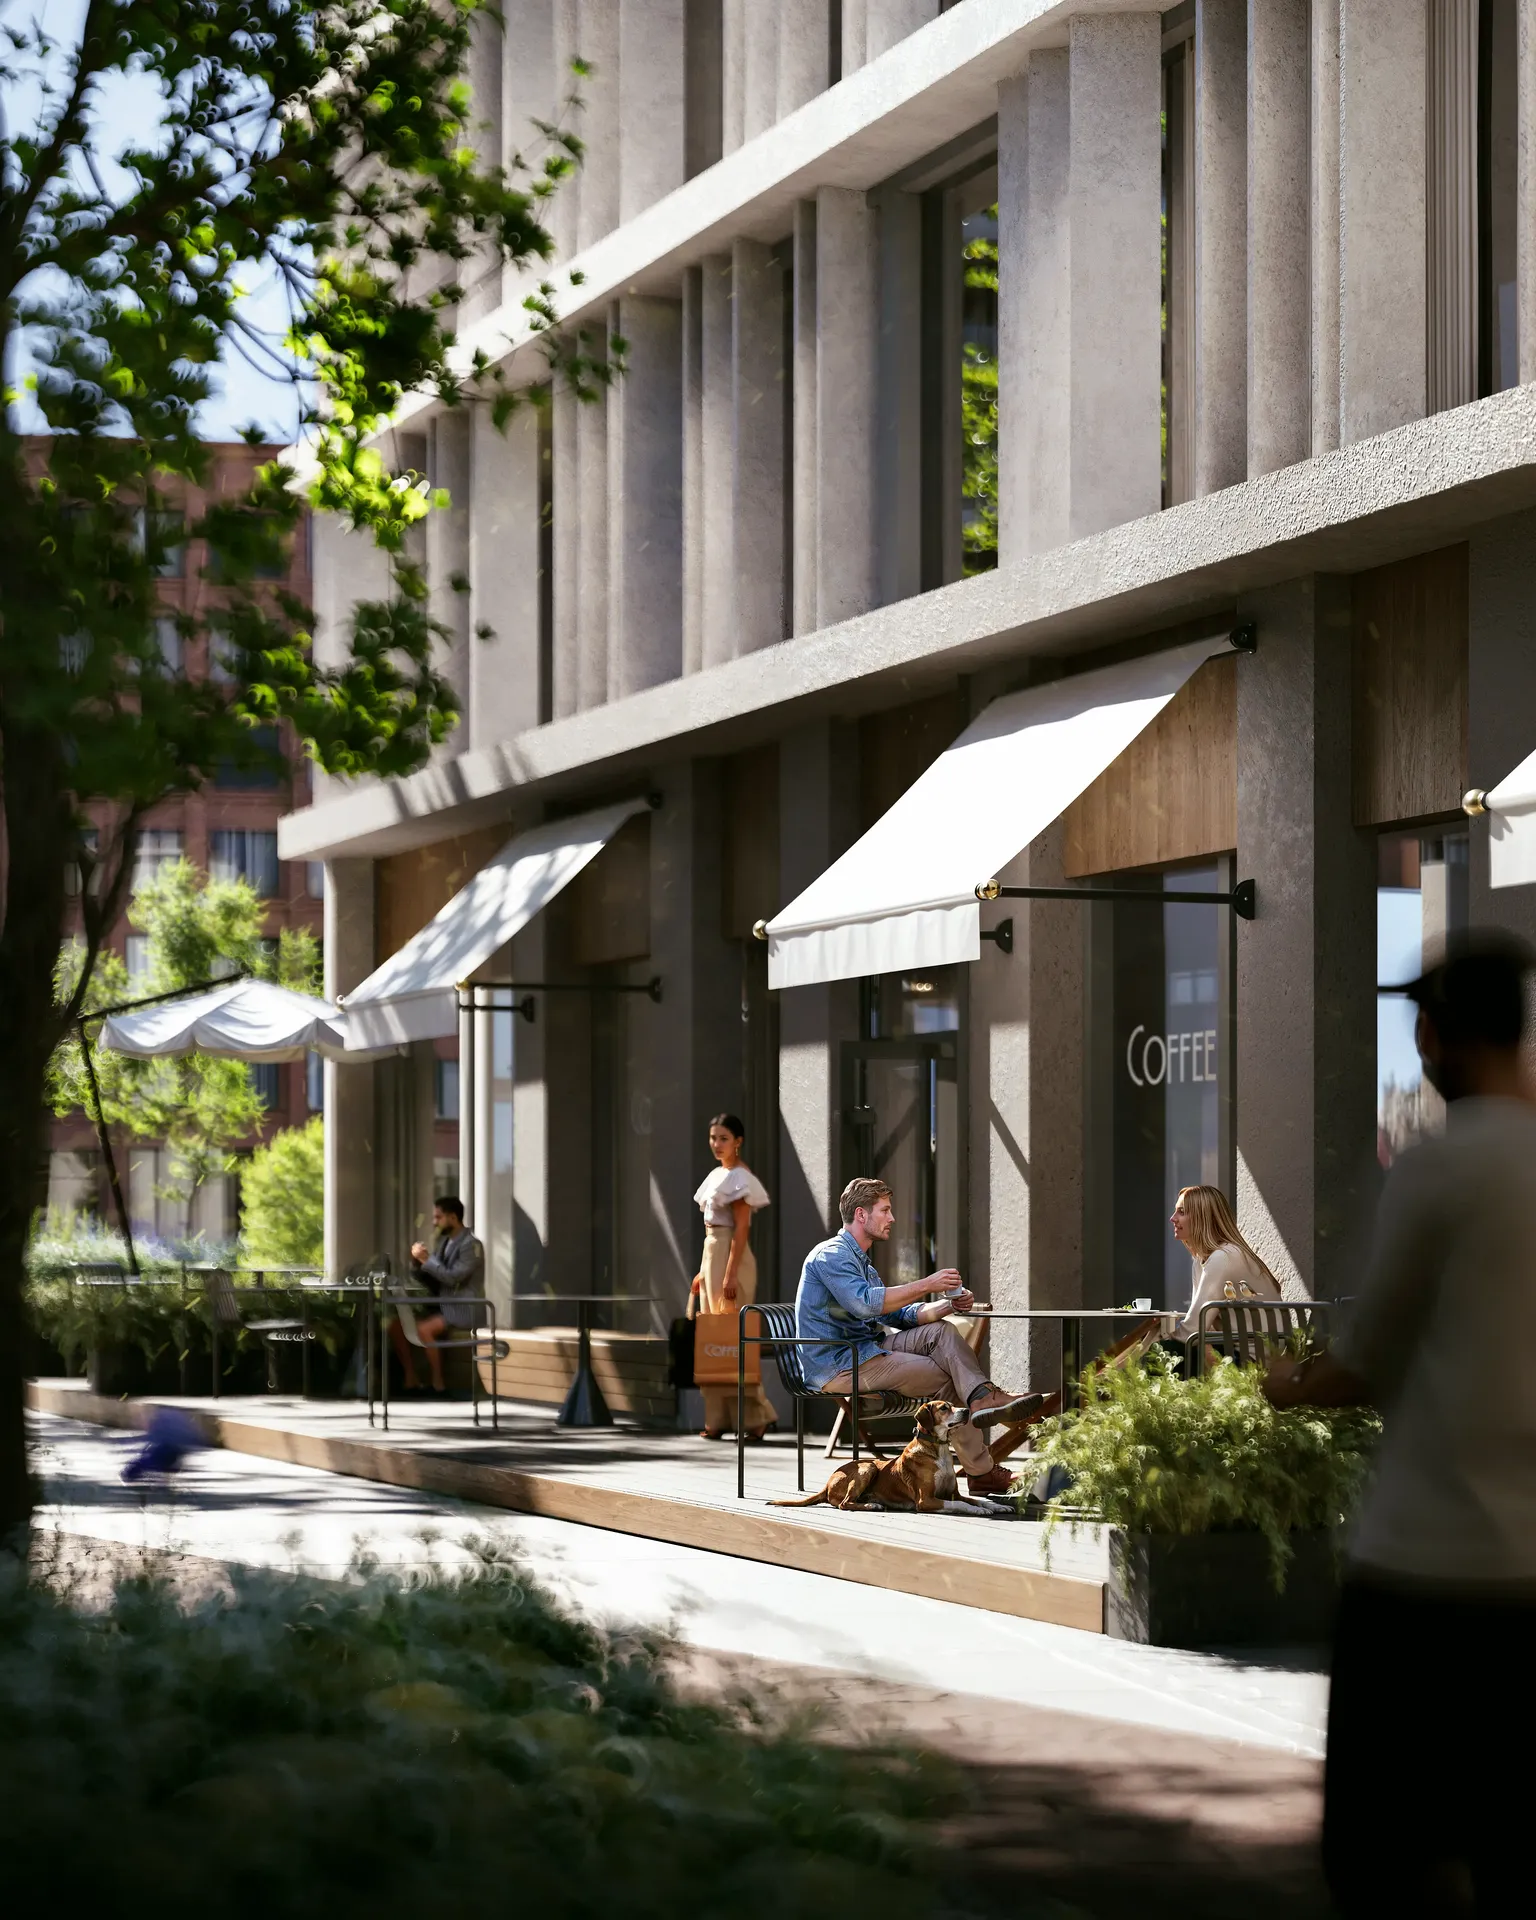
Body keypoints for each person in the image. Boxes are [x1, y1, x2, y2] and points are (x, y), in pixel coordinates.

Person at [1264, 929, 1536, 1917]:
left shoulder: (1441, 1171)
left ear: (1439, 1035)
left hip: (1424, 1570)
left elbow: (1365, 1363)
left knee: (1379, 1864)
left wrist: (1282, 1385)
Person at [795, 1177, 1040, 1495]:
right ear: (861, 1215)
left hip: (868, 1348)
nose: (892, 1218)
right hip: (840, 1363)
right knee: (946, 1379)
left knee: (942, 1332)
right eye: (885, 1210)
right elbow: (865, 1304)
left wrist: (947, 1304)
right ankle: (981, 1471)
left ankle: (982, 1397)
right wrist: (927, 1283)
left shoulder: (862, 1264)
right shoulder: (831, 1255)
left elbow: (898, 1316)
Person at [688, 1112, 776, 1441]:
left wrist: (729, 1274)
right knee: (713, 1339)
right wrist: (703, 1271)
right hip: (713, 1254)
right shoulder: (716, 1175)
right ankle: (717, 1420)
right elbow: (714, 1233)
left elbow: (741, 1229)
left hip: (731, 1259)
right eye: (713, 1138)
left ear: (738, 1141)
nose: (717, 1144)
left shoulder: (740, 1176)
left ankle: (756, 1417)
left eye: (723, 1138)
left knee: (734, 1340)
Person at [390, 1195, 485, 1394]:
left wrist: (427, 1260)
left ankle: (438, 1383)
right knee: (396, 1326)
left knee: (424, 1330)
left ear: (453, 1217)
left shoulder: (472, 1245)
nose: (434, 1222)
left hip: (462, 1308)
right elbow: (433, 1278)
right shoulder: (445, 1243)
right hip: (442, 1305)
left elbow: (453, 1278)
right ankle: (411, 1377)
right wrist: (418, 1263)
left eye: (438, 1217)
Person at [1168, 1183, 1284, 1340]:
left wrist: (1155, 1342)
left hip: (1255, 1358)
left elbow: (1192, 1332)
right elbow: (1199, 1325)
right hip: (1234, 1349)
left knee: (1154, 1353)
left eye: (1181, 1212)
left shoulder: (1223, 1257)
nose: (1173, 1218)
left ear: (1202, 1218)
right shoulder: (1201, 1260)